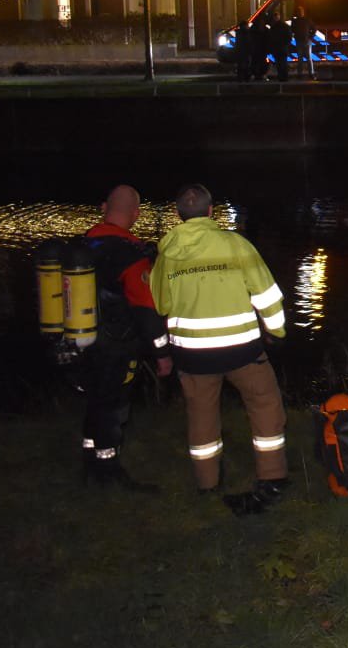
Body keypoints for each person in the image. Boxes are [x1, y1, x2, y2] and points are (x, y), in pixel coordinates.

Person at [150, 183, 290, 512]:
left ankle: (207, 484)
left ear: (178, 214)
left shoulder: (167, 254)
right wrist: (277, 332)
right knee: (266, 406)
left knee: (201, 416)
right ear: (211, 211)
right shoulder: (235, 246)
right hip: (243, 350)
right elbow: (267, 295)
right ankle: (272, 477)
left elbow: (160, 303)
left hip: (192, 355)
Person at [79, 185, 172, 491]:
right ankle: (109, 471)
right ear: (136, 214)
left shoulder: (84, 243)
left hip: (83, 339)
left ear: (103, 206)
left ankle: (91, 457)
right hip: (117, 344)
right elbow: (146, 309)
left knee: (95, 399)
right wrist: (162, 352)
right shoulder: (130, 254)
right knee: (113, 405)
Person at [267, 10, 292, 82]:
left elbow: (271, 38)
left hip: (278, 48)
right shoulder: (284, 26)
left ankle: (282, 78)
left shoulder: (274, 27)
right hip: (281, 48)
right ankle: (284, 78)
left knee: (280, 64)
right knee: (282, 63)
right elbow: (289, 37)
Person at [293, 4, 316, 79]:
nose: (300, 13)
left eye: (301, 11)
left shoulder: (307, 20)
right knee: (301, 59)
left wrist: (310, 37)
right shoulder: (296, 21)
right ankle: (301, 74)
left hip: (306, 42)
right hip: (300, 41)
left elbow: (314, 29)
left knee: (307, 58)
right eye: (299, 11)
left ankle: (310, 74)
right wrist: (310, 37)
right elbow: (292, 30)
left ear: (303, 12)